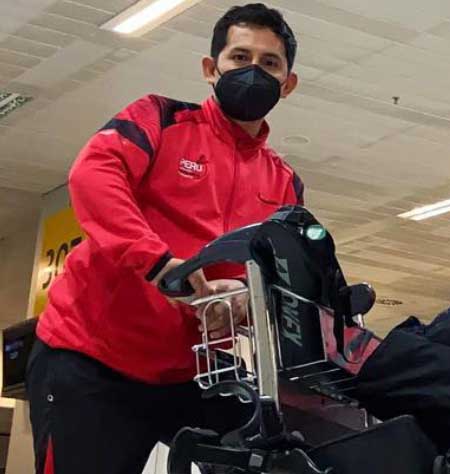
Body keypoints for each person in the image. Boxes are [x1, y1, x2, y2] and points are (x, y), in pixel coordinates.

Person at [27, 4, 304, 473]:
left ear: (288, 83)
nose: (253, 71)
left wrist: (243, 297)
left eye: (269, 63)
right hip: (92, 359)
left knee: (283, 453)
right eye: (240, 57)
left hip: (190, 372)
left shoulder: (284, 183)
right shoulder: (159, 119)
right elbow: (94, 175)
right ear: (211, 68)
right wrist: (159, 265)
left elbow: (277, 273)